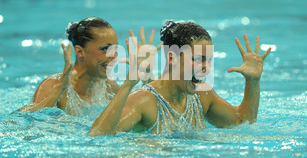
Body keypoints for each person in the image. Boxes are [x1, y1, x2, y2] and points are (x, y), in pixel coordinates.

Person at [88, 20, 271, 136]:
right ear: (172, 58)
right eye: (198, 60)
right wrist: (128, 84)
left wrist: (253, 82)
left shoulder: (202, 95)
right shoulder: (145, 101)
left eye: (208, 60)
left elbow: (242, 122)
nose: (206, 68)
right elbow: (97, 138)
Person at [19, 17, 158, 116]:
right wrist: (59, 90)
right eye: (105, 49)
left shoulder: (106, 86)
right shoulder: (53, 85)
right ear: (80, 51)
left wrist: (146, 72)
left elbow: (147, 107)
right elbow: (23, 121)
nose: (114, 56)